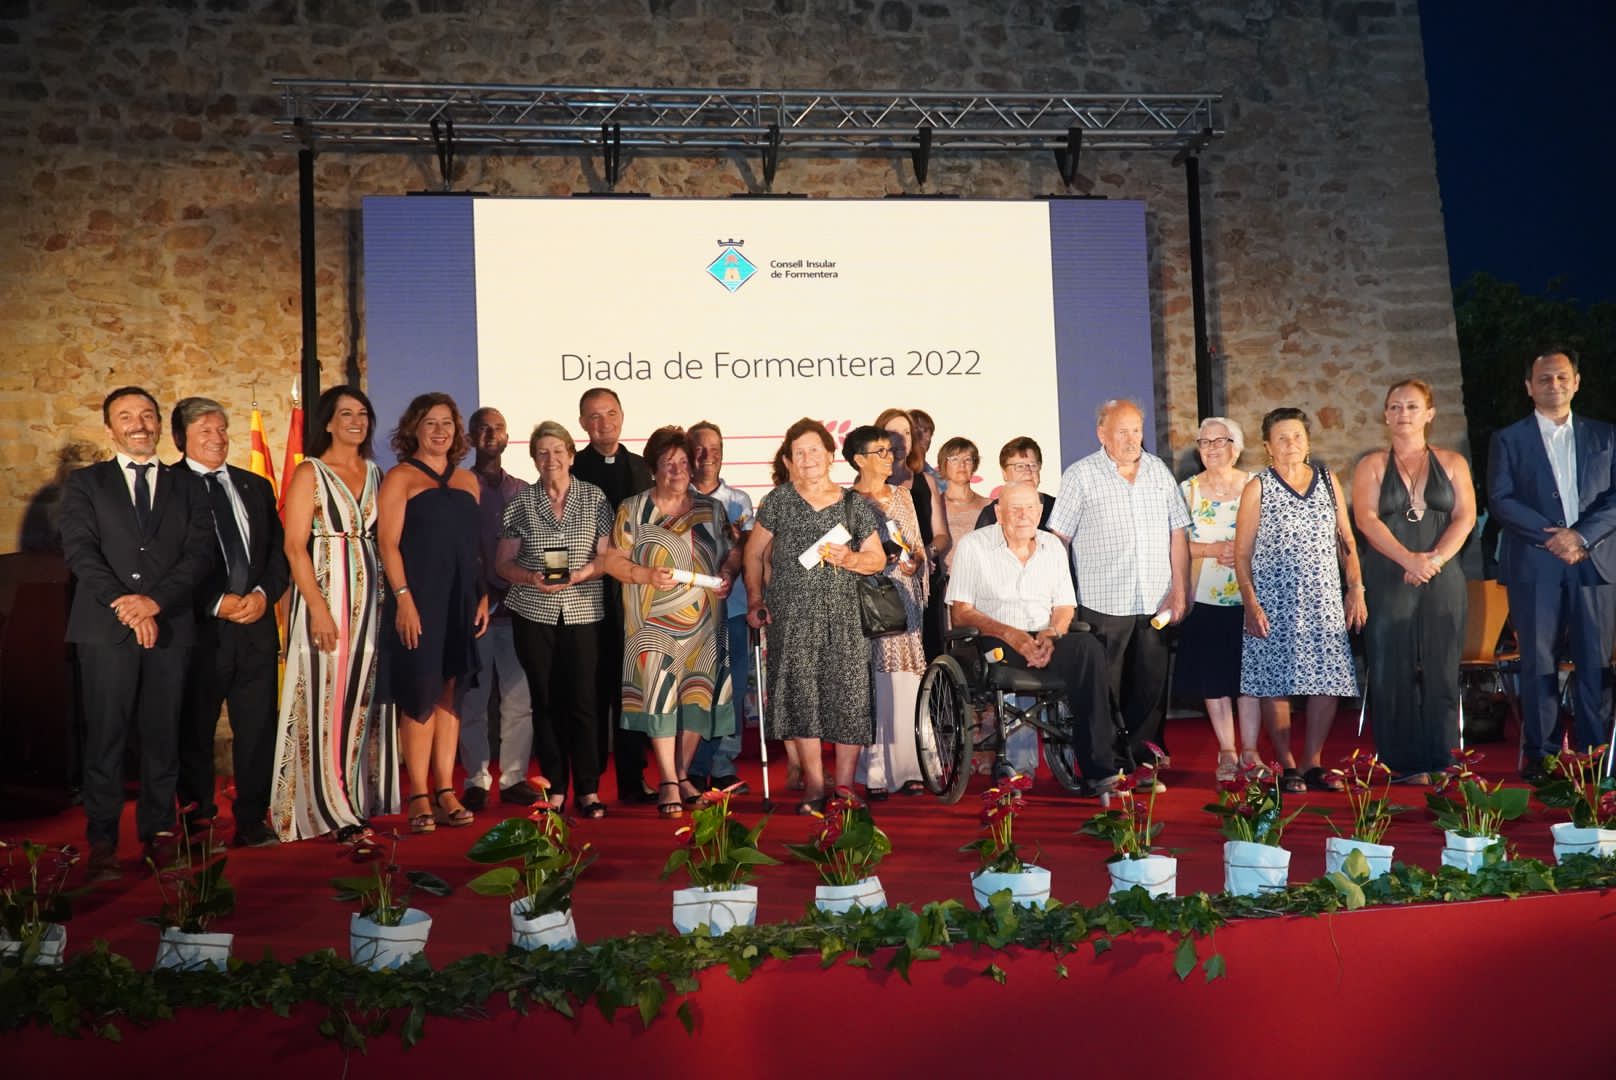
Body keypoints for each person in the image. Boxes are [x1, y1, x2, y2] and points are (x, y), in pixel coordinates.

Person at [60, 386, 216, 880]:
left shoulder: (188, 485)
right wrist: (129, 606)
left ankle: (160, 834)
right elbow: (81, 552)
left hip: (169, 627)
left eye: (147, 415)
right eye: (126, 416)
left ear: (158, 424)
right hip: (105, 630)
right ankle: (103, 843)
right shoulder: (86, 484)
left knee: (163, 735)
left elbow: (199, 554)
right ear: (110, 428)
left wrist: (155, 602)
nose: (139, 424)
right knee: (105, 739)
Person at [271, 385, 400, 843]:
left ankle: (350, 796)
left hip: (372, 603)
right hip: (325, 599)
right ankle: (329, 809)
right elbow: (293, 546)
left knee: (358, 701)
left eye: (363, 413)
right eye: (346, 413)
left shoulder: (377, 472)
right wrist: (320, 610)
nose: (357, 421)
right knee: (324, 700)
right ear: (328, 422)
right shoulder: (311, 472)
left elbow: (387, 540)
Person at [744, 418, 886, 813]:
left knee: (849, 697)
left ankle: (844, 789)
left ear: (829, 455)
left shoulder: (853, 504)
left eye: (814, 450)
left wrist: (853, 558)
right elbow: (753, 554)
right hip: (791, 618)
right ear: (789, 460)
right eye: (799, 451)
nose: (807, 458)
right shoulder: (778, 501)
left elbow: (877, 558)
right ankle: (813, 787)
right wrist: (756, 597)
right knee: (800, 698)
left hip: (844, 617)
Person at [1488, 347, 1616, 780]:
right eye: (1544, 379)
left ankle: (1595, 754)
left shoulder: (1607, 436)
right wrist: (1555, 537)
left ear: (1577, 382)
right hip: (1536, 563)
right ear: (1529, 387)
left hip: (1594, 562)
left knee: (1594, 662)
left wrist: (1580, 536)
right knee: (1537, 662)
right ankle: (1541, 755)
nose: (1554, 385)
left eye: (1562, 377)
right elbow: (1501, 499)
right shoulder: (1508, 439)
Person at [1048, 399, 1191, 778]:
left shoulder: (1159, 471)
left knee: (1150, 686)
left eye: (1137, 431)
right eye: (1123, 431)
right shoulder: (1080, 475)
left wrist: (1180, 590)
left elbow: (1179, 533)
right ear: (1102, 434)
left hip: (1154, 602)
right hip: (1101, 602)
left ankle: (1143, 759)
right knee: (1104, 690)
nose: (1132, 439)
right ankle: (1108, 763)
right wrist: (1060, 597)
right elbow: (1057, 539)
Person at [603, 426, 741, 815]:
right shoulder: (633, 509)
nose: (678, 470)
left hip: (704, 626)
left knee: (697, 699)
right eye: (669, 463)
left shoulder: (710, 509)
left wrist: (729, 575)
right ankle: (666, 779)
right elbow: (612, 560)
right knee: (660, 701)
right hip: (653, 627)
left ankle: (682, 774)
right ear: (653, 468)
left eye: (683, 462)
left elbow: (731, 553)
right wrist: (645, 575)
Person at [948, 481, 1120, 791]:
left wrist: (1051, 634)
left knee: (1088, 648)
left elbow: (1066, 606)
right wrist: (1011, 635)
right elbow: (961, 612)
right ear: (999, 513)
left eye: (1030, 508)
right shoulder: (973, 546)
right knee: (1002, 645)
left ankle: (1099, 768)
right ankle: (1008, 760)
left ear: (1040, 512)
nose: (1023, 515)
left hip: (1046, 637)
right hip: (996, 641)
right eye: (1015, 509)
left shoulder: (1052, 545)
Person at [172, 396, 289, 848]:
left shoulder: (254, 486)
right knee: (195, 730)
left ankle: (252, 819)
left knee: (258, 728)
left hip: (256, 629)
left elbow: (277, 556)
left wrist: (263, 595)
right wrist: (214, 602)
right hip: (199, 633)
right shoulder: (167, 487)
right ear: (182, 437)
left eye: (221, 429)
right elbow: (165, 564)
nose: (217, 438)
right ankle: (197, 824)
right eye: (205, 430)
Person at [1235, 407, 1366, 794]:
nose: (1290, 444)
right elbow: (1241, 555)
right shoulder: (1257, 487)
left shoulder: (1328, 481)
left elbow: (1347, 541)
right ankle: (1287, 764)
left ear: (1307, 441)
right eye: (1281, 438)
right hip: (1274, 600)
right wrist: (1250, 603)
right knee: (1275, 682)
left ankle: (1313, 762)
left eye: (1296, 436)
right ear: (1267, 447)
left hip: (1323, 599)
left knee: (1327, 681)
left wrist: (1355, 587)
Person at [1352, 381, 1475, 784]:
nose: (1403, 413)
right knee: (1390, 668)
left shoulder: (1453, 462)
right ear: (1385, 415)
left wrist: (1434, 561)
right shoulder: (1370, 464)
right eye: (1394, 406)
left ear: (1429, 413)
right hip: (1389, 574)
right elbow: (1366, 519)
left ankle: (1443, 759)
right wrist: (1408, 559)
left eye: (1412, 406)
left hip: (1442, 574)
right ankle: (1402, 763)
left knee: (1443, 666)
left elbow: (1465, 517)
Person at [378, 393, 488, 834]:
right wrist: (404, 598)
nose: (440, 431)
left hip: (461, 600)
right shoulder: (400, 477)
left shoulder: (467, 481)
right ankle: (419, 793)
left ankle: (446, 788)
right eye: (430, 423)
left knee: (451, 691)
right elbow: (387, 543)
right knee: (420, 692)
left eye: (447, 423)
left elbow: (473, 550)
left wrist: (481, 596)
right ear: (414, 430)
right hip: (419, 600)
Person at [497, 421, 614, 817]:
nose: (551, 459)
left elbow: (606, 557)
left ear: (571, 454)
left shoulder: (595, 498)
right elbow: (503, 563)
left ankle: (588, 790)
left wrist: (582, 573)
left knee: (583, 701)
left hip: (583, 609)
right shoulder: (520, 502)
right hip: (534, 611)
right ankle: (556, 788)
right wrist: (531, 577)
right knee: (544, 701)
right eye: (542, 452)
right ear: (533, 458)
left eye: (558, 451)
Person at [570, 386, 655, 803]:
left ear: (622, 416)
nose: (604, 423)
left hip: (635, 600)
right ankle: (587, 784)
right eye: (594, 416)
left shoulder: (642, 469)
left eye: (611, 414)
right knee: (588, 693)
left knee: (631, 690)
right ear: (582, 423)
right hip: (586, 598)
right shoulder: (572, 470)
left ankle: (631, 778)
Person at [457, 407, 540, 812]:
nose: (491, 434)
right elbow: (457, 550)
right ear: (471, 437)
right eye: (483, 428)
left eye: (498, 428)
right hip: (474, 611)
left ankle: (513, 778)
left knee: (518, 698)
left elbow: (534, 548)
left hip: (518, 607)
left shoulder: (524, 490)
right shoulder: (458, 485)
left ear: (509, 437)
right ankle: (475, 779)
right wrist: (481, 591)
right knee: (473, 699)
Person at [1174, 417, 1262, 783]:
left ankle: (1251, 751)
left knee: (1249, 677)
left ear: (1236, 447)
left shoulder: (1255, 486)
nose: (1211, 448)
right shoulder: (1186, 490)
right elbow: (1174, 544)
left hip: (1249, 596)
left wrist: (1242, 551)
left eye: (1220, 440)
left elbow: (1271, 536)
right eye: (1204, 442)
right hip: (1205, 596)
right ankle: (1226, 750)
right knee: (1214, 678)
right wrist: (1212, 548)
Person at [845, 425, 929, 799]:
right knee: (873, 682)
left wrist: (914, 563)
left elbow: (918, 547)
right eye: (879, 452)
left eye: (890, 451)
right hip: (867, 598)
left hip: (904, 597)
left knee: (908, 681)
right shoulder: (845, 501)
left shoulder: (905, 496)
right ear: (859, 459)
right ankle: (875, 771)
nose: (889, 457)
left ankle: (913, 767)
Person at [686, 420, 754, 793]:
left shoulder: (739, 501)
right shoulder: (677, 497)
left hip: (733, 608)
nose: (707, 456)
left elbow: (748, 549)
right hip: (690, 614)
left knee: (730, 689)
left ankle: (724, 763)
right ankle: (694, 766)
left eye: (714, 448)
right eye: (699, 448)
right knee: (697, 692)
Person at [876, 407, 951, 658]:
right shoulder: (869, 487)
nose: (900, 439)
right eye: (893, 433)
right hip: (887, 583)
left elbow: (942, 535)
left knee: (929, 653)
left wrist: (925, 553)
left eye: (906, 432)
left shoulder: (927, 482)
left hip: (925, 578)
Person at [975, 436, 1058, 531]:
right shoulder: (991, 515)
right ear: (1004, 473)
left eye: (1033, 465)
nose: (1028, 471)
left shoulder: (1057, 509)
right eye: (1020, 466)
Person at [939, 436, 990, 568]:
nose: (962, 465)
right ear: (943, 464)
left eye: (967, 459)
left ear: (974, 465)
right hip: (944, 583)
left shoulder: (989, 506)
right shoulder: (935, 505)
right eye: (954, 459)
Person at [910, 407, 945, 493]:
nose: (920, 436)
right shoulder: (890, 473)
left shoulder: (940, 481)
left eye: (926, 431)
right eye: (916, 430)